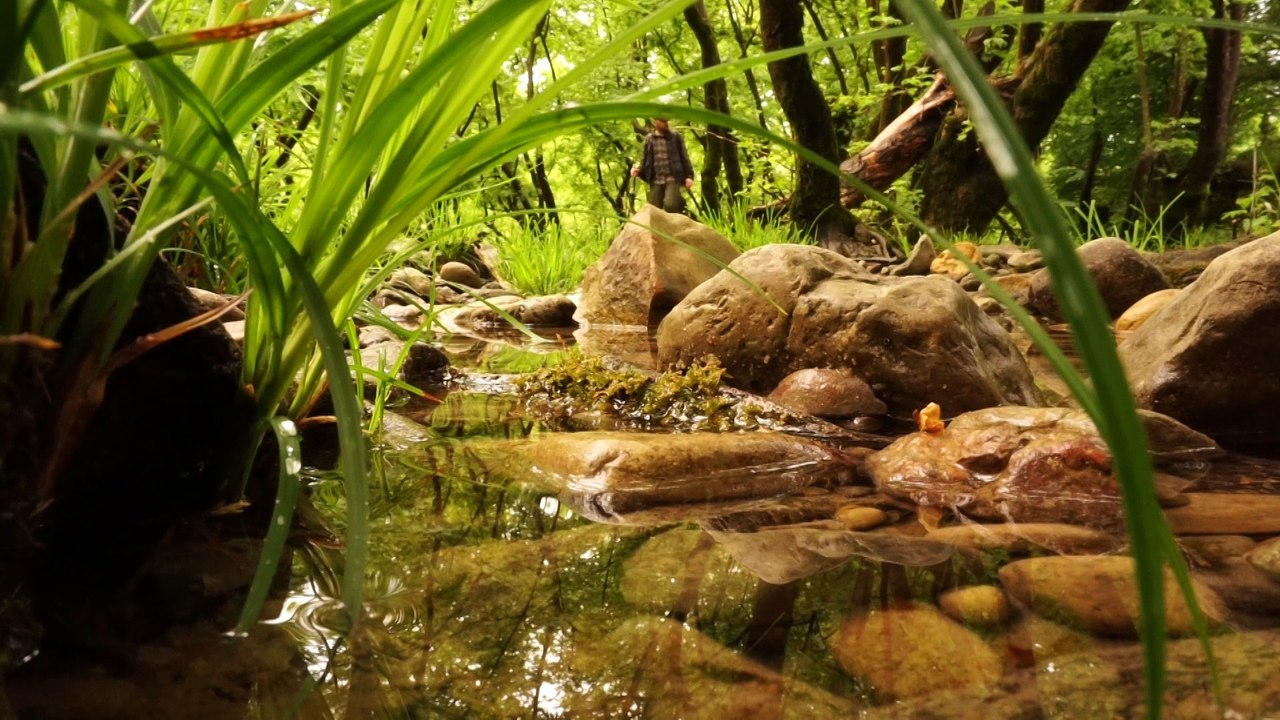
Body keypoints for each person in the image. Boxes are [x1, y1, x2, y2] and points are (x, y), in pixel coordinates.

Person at [630, 118, 695, 214]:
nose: (666, 123)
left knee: (670, 205)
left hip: (673, 178)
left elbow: (684, 156)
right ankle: (679, 202)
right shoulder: (649, 139)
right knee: (654, 209)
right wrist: (638, 170)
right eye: (663, 121)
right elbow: (645, 159)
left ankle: (680, 205)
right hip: (656, 180)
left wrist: (689, 176)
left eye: (666, 121)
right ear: (655, 122)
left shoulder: (675, 137)